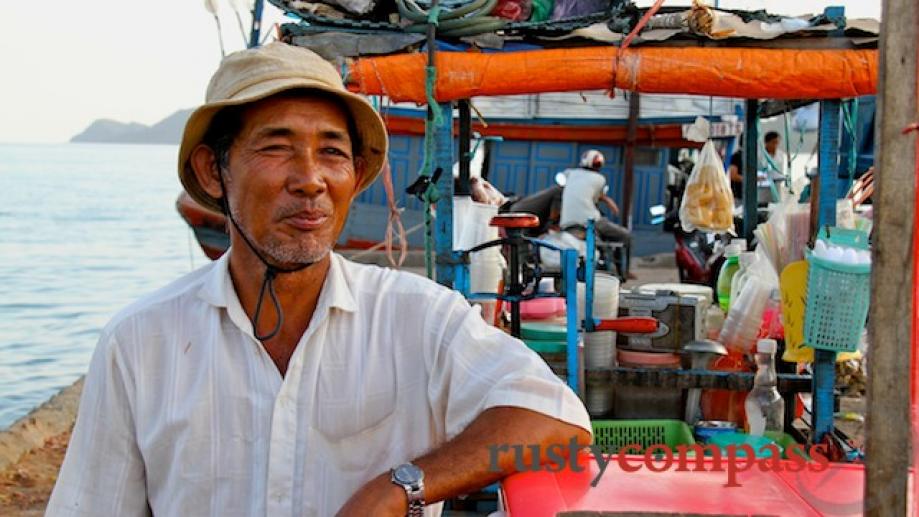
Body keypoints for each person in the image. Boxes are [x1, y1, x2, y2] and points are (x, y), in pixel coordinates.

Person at [46, 42, 591, 517]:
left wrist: (398, 489)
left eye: (331, 152)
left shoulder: (419, 318)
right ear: (216, 170)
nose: (310, 180)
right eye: (276, 147)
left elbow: (558, 422)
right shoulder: (141, 342)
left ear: (353, 177)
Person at [559, 150, 631, 269]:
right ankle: (623, 270)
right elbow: (597, 198)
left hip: (566, 222)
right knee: (625, 236)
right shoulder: (600, 179)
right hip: (590, 220)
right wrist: (608, 201)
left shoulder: (570, 173)